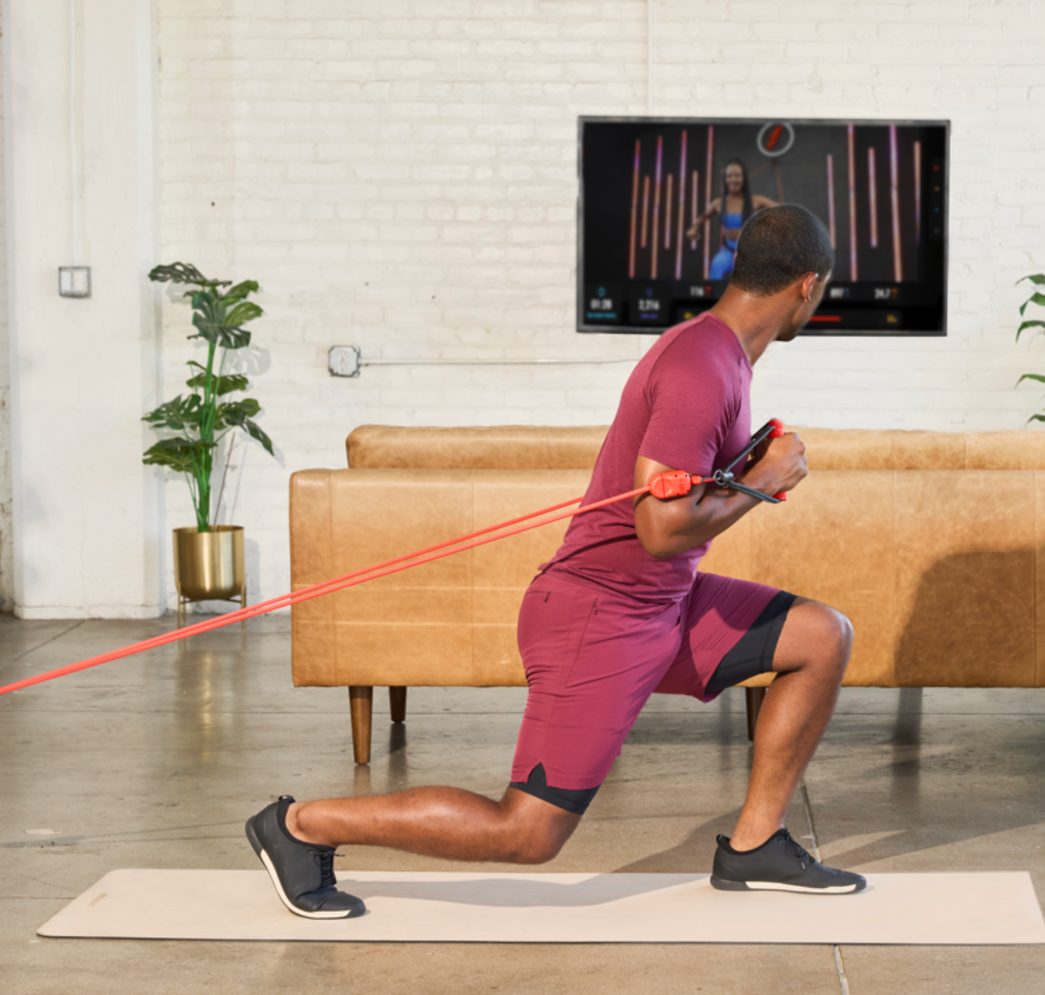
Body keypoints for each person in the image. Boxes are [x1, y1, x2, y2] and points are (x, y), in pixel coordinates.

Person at [246, 204, 862, 919]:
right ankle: (296, 826)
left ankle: (756, 845)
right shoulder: (703, 364)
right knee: (528, 832)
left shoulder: (720, 355)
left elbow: (675, 508)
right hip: (598, 614)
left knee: (821, 634)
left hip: (664, 602)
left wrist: (743, 468)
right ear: (807, 286)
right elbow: (660, 528)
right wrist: (765, 482)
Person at [686, 158, 779, 280]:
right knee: (717, 265)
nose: (733, 179)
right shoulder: (718, 203)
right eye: (729, 176)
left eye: (737, 176)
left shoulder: (755, 200)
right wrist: (694, 228)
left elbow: (783, 210)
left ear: (743, 178)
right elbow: (702, 218)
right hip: (728, 251)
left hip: (751, 252)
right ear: (725, 180)